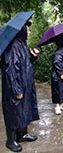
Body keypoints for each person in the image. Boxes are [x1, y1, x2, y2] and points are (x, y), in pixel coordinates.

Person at [1, 21, 39, 152]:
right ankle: (10, 141)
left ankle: (22, 134)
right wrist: (17, 89)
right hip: (16, 88)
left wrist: (33, 56)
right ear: (21, 31)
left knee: (24, 109)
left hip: (25, 85)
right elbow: (11, 70)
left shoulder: (22, 46)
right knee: (14, 112)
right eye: (27, 30)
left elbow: (25, 64)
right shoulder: (12, 47)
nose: (29, 32)